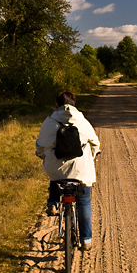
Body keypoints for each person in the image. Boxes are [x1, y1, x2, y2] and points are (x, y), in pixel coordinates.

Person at [35, 91, 101, 251]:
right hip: (80, 171)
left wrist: (45, 156)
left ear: (56, 105)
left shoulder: (49, 122)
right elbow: (95, 144)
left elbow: (40, 147)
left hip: (56, 169)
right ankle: (86, 240)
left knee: (56, 178)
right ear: (74, 104)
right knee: (84, 200)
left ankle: (53, 202)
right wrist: (93, 155)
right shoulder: (82, 121)